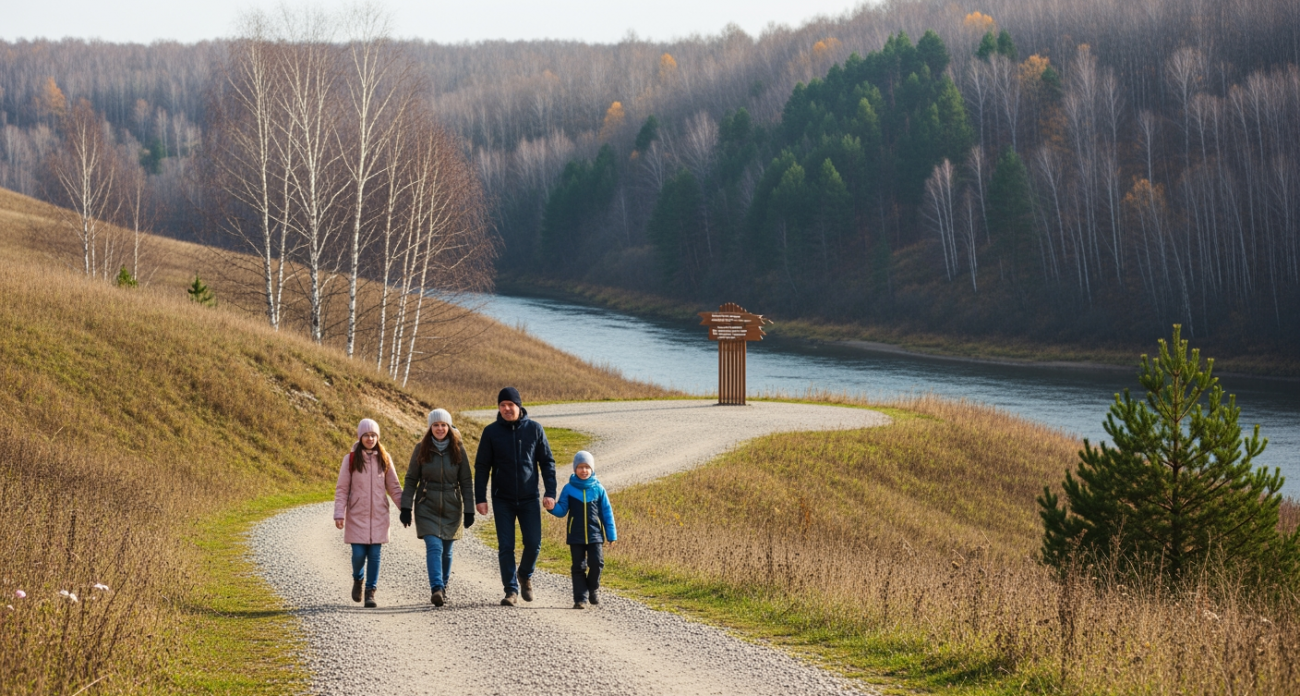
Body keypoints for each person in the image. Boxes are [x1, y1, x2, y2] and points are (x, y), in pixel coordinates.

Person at [474, 387, 557, 606]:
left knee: (534, 543)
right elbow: (482, 467)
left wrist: (550, 492)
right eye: (502, 405)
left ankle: (524, 574)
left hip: (529, 498)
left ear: (519, 406)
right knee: (506, 546)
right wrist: (480, 498)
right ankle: (511, 590)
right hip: (502, 499)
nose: (507, 409)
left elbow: (547, 462)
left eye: (510, 405)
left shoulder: (534, 429)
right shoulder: (491, 432)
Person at [399, 409, 474, 607]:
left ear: (448, 427)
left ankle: (443, 587)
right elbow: (411, 479)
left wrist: (469, 509)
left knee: (447, 551)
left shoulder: (458, 449)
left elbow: (466, 481)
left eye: (443, 425)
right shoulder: (421, 448)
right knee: (434, 546)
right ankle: (437, 588)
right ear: (430, 427)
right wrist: (405, 507)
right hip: (427, 505)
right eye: (435, 425)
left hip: (452, 506)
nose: (440, 428)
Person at [333, 418, 403, 608]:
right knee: (358, 554)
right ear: (360, 437)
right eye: (366, 435)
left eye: (373, 435)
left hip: (379, 515)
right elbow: (342, 488)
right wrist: (339, 513)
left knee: (374, 555)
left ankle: (370, 592)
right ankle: (358, 579)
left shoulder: (385, 458)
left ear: (378, 437)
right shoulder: (350, 459)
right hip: (357, 515)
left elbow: (394, 487)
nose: (370, 439)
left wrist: (405, 509)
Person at [548, 451, 617, 609]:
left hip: (595, 535)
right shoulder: (568, 489)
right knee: (578, 567)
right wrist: (551, 508)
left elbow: (607, 513)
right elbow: (562, 510)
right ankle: (580, 599)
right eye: (580, 467)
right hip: (576, 535)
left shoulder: (598, 489)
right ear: (575, 469)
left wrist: (611, 535)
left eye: (587, 467)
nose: (584, 470)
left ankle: (593, 588)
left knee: (597, 563)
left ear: (592, 469)